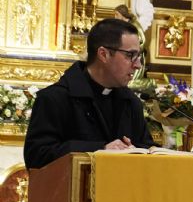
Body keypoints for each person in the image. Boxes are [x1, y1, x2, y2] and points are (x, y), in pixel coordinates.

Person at [24, 18, 155, 169]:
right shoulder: (55, 99)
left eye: (139, 56)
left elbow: (147, 148)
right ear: (103, 54)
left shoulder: (131, 102)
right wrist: (100, 150)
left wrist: (136, 151)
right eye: (130, 55)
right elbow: (37, 156)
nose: (138, 65)